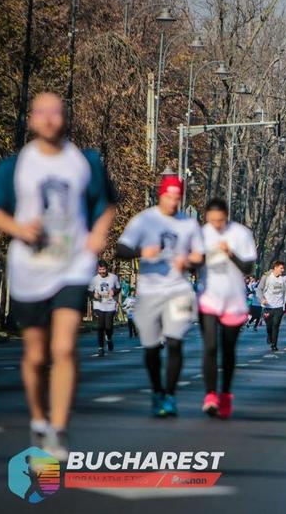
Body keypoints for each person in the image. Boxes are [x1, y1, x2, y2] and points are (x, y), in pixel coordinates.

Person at [0, 92, 116, 458]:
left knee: (63, 347)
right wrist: (18, 228)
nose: (49, 119)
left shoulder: (85, 162)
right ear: (31, 120)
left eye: (56, 112)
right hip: (30, 266)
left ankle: (59, 428)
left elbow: (106, 204)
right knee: (35, 355)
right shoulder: (14, 167)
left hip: (71, 264)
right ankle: (38, 421)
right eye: (41, 113)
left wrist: (97, 235)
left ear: (65, 118)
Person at [116, 175, 204, 418]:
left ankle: (170, 396)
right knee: (152, 348)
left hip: (178, 291)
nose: (173, 203)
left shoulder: (188, 224)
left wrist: (188, 260)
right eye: (169, 197)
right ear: (160, 195)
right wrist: (142, 250)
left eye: (178, 198)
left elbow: (200, 257)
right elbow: (121, 249)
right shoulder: (145, 220)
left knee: (175, 341)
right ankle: (157, 391)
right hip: (149, 291)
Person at [196, 198, 256, 419]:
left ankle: (226, 394)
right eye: (212, 220)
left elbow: (248, 267)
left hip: (234, 301)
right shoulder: (201, 234)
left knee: (228, 351)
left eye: (220, 220)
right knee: (210, 347)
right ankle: (210, 394)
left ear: (227, 216)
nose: (217, 225)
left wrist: (230, 253)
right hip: (208, 298)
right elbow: (193, 264)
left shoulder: (241, 234)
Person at [256, 261, 286, 352]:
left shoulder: (283, 278)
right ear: (275, 268)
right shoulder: (267, 277)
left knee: (276, 325)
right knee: (269, 325)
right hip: (268, 306)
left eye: (283, 268)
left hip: (279, 306)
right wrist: (262, 300)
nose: (282, 270)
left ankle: (274, 344)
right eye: (281, 268)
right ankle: (269, 335)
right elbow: (259, 290)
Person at [88, 260, 121, 356]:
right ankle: (101, 348)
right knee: (100, 326)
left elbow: (118, 288)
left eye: (103, 269)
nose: (101, 271)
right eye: (100, 269)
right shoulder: (94, 279)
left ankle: (109, 338)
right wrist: (94, 295)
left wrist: (114, 292)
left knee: (109, 327)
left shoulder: (113, 277)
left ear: (107, 269)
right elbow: (89, 291)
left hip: (110, 304)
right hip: (98, 304)